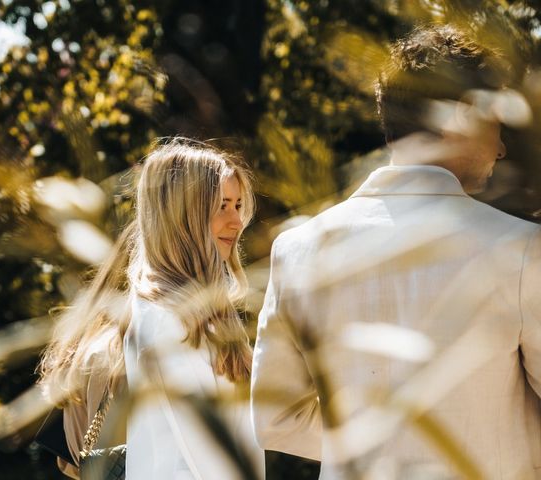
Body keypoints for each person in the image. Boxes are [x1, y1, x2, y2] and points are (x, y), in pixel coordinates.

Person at [251, 24, 541, 479]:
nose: (502, 148)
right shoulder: (523, 249)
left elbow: (276, 419)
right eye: (495, 125)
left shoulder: (298, 248)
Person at [38, 138, 265, 480]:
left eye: (237, 206)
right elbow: (205, 452)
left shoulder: (206, 310)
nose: (236, 222)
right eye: (221, 206)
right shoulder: (164, 319)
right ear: (183, 215)